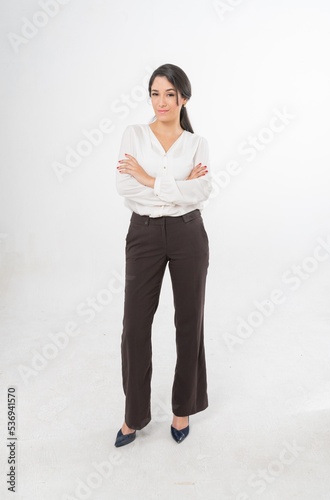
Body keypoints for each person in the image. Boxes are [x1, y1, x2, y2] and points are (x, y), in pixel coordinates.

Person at [114, 63, 212, 447]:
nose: (161, 102)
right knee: (134, 327)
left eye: (169, 94)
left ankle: (183, 407)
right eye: (155, 93)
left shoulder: (196, 143)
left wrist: (150, 179)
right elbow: (124, 187)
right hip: (145, 234)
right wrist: (177, 186)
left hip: (189, 234)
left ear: (183, 97)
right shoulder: (134, 135)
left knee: (190, 323)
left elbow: (202, 192)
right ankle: (134, 415)